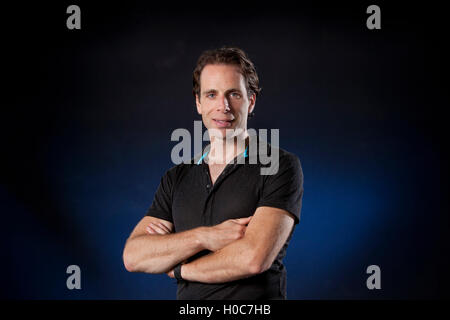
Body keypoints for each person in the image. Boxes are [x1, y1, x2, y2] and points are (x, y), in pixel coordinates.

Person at [122, 47, 304, 299]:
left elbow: (253, 258)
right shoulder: (177, 177)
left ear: (251, 101)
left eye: (234, 94)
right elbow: (134, 256)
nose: (223, 106)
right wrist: (204, 237)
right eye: (211, 95)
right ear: (198, 103)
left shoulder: (279, 166)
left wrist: (179, 269)